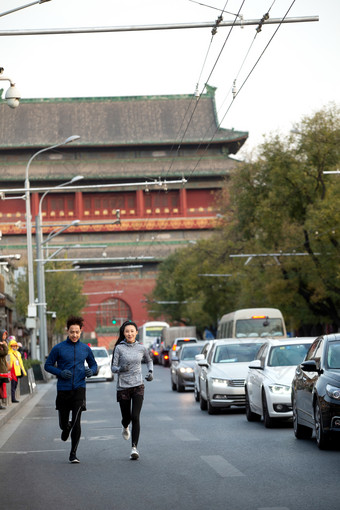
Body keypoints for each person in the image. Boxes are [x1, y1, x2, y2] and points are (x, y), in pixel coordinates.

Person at [44, 315, 98, 464]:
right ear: (67, 331)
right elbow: (47, 365)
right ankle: (65, 428)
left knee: (76, 421)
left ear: (81, 332)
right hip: (63, 389)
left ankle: (73, 453)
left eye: (77, 332)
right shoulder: (58, 348)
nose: (74, 335)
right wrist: (60, 372)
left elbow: (94, 366)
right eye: (71, 332)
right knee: (64, 423)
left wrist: (91, 371)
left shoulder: (85, 348)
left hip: (80, 388)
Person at [111, 320, 153, 460]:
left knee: (135, 417)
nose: (129, 333)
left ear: (136, 332)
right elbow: (113, 368)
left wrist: (150, 372)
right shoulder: (119, 348)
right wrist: (121, 369)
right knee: (126, 418)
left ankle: (134, 448)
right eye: (127, 331)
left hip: (138, 386)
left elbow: (149, 360)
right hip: (123, 387)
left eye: (132, 331)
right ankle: (124, 426)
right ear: (123, 333)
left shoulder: (141, 348)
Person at [8, 336, 27, 403]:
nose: (14, 347)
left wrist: (24, 372)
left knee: (15, 385)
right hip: (12, 372)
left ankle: (13, 397)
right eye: (12, 346)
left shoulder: (18, 354)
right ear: (10, 346)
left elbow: (21, 364)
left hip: (17, 372)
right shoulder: (9, 354)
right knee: (12, 386)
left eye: (15, 346)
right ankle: (13, 398)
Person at [0, 329, 9, 409]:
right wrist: (4, 345)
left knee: (1, 387)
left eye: (5, 335)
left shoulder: (2, 344)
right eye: (3, 335)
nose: (5, 337)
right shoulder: (1, 345)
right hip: (0, 370)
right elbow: (4, 353)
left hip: (2, 370)